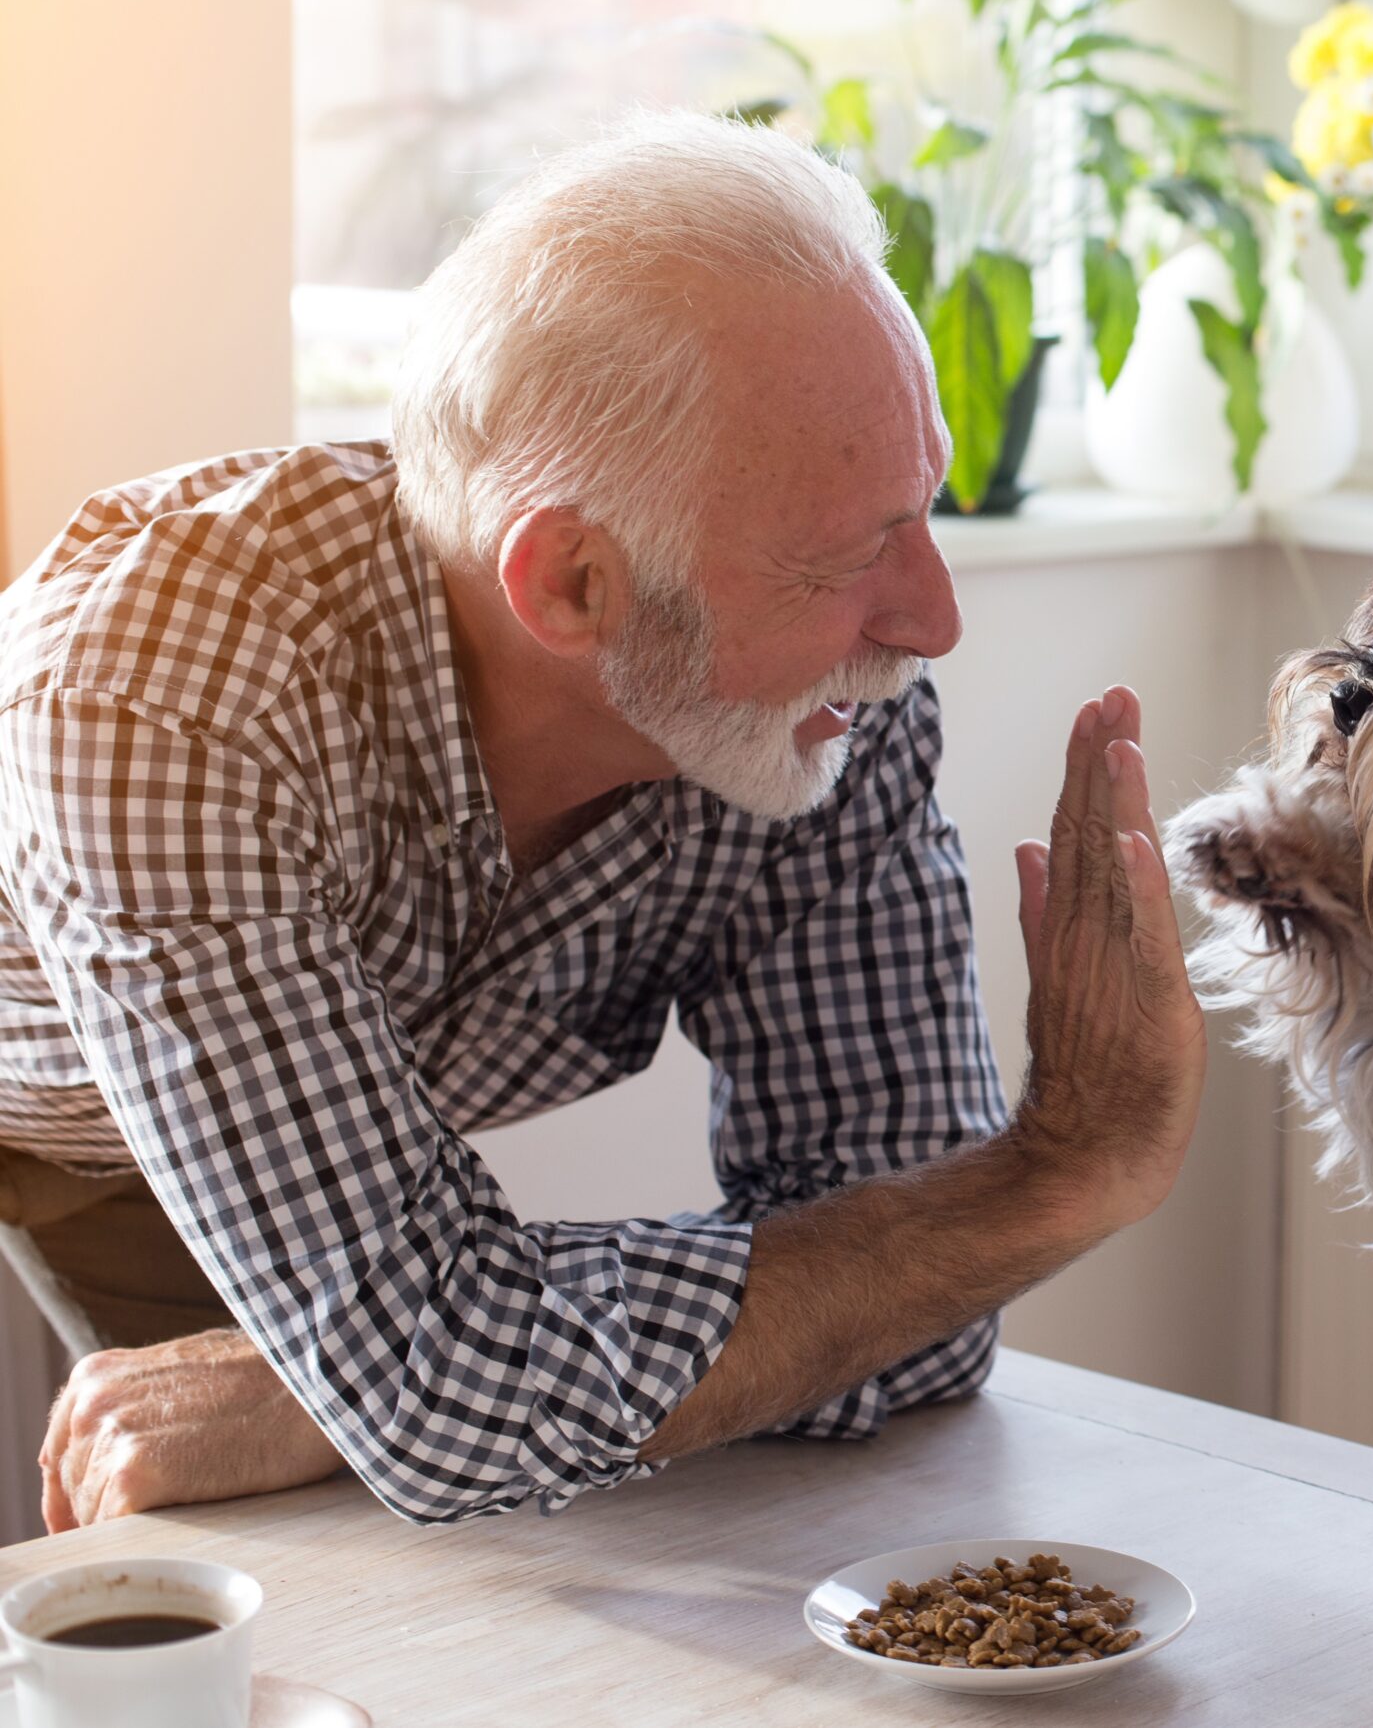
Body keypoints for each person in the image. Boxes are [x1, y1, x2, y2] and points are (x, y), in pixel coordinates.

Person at [0, 111, 1205, 1532]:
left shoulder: (819, 707)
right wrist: (1064, 1172)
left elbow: (925, 1313)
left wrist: (409, 1366)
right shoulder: (164, 692)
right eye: (849, 552)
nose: (931, 619)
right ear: (572, 585)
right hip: (53, 1113)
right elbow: (450, 1395)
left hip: (321, 1115)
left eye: (922, 506)